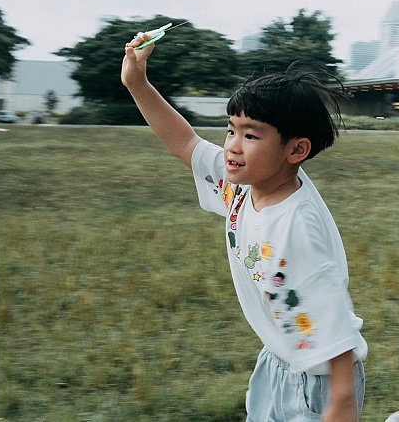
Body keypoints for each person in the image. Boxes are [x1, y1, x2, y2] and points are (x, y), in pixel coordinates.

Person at [120, 33, 377, 422]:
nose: (233, 147)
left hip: (320, 380)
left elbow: (333, 314)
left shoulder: (295, 226)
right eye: (230, 130)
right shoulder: (244, 186)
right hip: (277, 361)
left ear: (296, 150)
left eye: (251, 135)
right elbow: (185, 144)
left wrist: (340, 402)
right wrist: (137, 84)